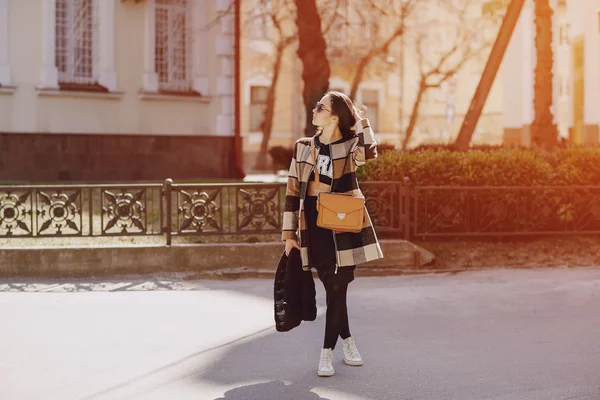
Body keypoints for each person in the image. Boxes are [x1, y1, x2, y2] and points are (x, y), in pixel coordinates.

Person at [282, 91, 384, 377]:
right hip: (313, 223)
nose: (314, 110)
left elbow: (369, 153)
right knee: (333, 288)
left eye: (320, 107)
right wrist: (289, 233)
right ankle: (348, 341)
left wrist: (362, 121)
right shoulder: (303, 147)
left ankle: (326, 354)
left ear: (335, 115)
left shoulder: (350, 145)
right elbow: (292, 192)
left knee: (339, 287)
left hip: (343, 222)